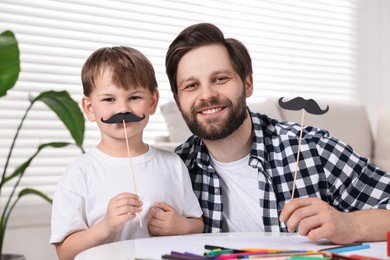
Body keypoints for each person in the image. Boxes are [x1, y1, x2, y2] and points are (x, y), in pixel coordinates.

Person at [165, 23, 390, 244]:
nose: (207, 95)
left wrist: (351, 225)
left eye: (220, 79)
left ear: (248, 83)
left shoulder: (313, 149)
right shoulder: (174, 169)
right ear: (178, 100)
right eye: (191, 86)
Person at [50, 46, 203, 260]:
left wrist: (180, 225)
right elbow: (65, 252)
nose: (122, 109)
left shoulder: (173, 164)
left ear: (152, 101)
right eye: (109, 99)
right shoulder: (79, 173)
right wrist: (106, 226)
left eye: (134, 97)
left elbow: (197, 224)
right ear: (89, 108)